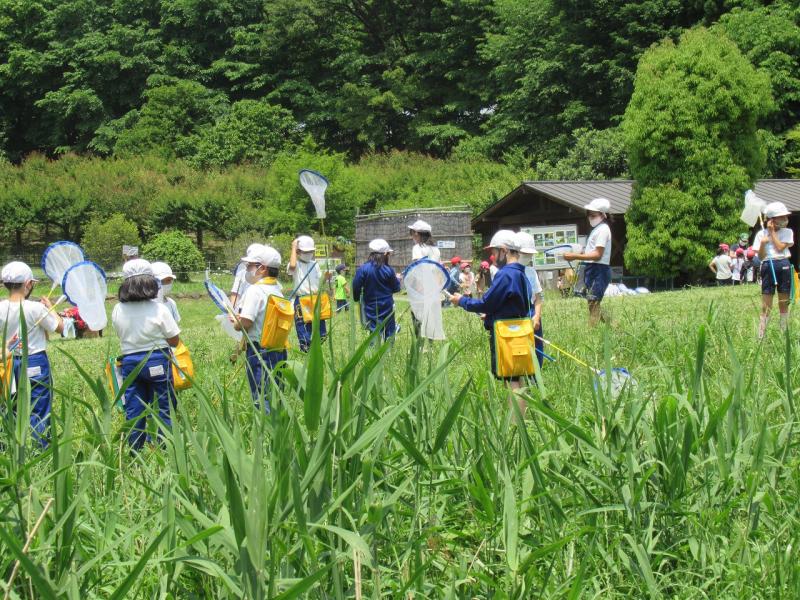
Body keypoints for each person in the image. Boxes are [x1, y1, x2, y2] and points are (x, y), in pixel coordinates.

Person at [451, 230, 532, 414]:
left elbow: (487, 303)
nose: (493, 258)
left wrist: (462, 301)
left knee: (512, 380)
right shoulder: (521, 273)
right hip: (519, 330)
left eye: (494, 253)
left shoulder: (506, 274)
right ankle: (522, 418)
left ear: (504, 251)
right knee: (518, 378)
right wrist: (491, 315)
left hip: (507, 334)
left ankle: (515, 424)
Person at [111, 259, 181, 451]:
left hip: (130, 362)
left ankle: (135, 449)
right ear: (151, 282)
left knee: (134, 407)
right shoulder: (159, 308)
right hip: (157, 359)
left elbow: (120, 333)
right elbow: (174, 340)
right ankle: (166, 446)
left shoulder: (118, 309)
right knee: (165, 404)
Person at [0, 261, 64, 447]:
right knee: (39, 408)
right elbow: (59, 328)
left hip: (9, 362)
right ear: (28, 284)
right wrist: (51, 307)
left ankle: (6, 449)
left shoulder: (1, 308)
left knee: (8, 407)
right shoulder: (35, 308)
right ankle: (41, 450)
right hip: (35, 362)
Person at [232, 245, 287, 412]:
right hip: (279, 348)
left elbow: (246, 322)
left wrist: (235, 322)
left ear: (262, 269)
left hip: (259, 350)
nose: (247, 270)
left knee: (261, 394)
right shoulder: (278, 289)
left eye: (250, 266)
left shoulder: (255, 291)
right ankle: (278, 428)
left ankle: (265, 432)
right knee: (276, 391)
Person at [563, 198, 613, 326]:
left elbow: (597, 255)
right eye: (589, 214)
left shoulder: (603, 230)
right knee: (593, 303)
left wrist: (575, 256)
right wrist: (579, 253)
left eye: (593, 215)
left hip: (599, 270)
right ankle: (614, 327)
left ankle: (592, 332)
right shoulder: (597, 229)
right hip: (593, 268)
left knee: (593, 302)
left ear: (603, 215)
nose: (590, 217)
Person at [754, 201, 794, 338]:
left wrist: (772, 232)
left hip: (783, 263)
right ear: (771, 219)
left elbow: (780, 247)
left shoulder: (788, 232)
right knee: (766, 303)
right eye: (781, 217)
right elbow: (760, 256)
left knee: (783, 301)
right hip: (767, 265)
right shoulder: (761, 235)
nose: (785, 219)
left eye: (785, 216)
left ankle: (784, 332)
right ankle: (761, 335)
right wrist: (763, 244)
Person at [352, 239, 401, 340]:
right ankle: (389, 352)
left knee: (374, 330)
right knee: (389, 330)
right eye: (388, 254)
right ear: (385, 254)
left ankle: (373, 352)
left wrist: (357, 298)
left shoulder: (363, 269)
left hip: (370, 305)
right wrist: (397, 279)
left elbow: (356, 285)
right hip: (387, 304)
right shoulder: (388, 270)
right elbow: (396, 288)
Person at [515, 232, 545, 367]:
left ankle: (536, 379)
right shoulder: (507, 273)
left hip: (532, 314)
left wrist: (537, 317)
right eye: (524, 253)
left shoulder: (531, 272)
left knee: (537, 348)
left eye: (529, 254)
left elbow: (538, 298)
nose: (527, 257)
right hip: (515, 317)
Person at [230, 243, 263, 309]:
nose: (247, 267)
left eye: (250, 264)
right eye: (247, 264)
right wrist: (232, 312)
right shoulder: (242, 267)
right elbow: (235, 292)